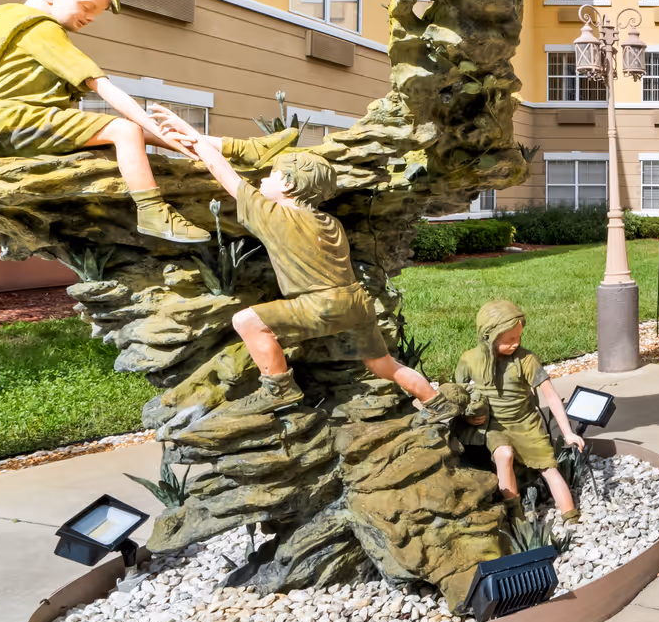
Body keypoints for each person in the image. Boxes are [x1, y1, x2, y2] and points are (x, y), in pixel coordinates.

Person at [0, 0, 292, 243]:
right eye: (87, 7)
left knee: (133, 132)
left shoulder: (0, 26)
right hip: (23, 124)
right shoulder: (39, 29)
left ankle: (239, 149)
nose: (91, 18)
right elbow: (103, 87)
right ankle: (152, 212)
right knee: (125, 131)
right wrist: (143, 122)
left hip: (3, 133)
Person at [151, 107, 445, 411]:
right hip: (356, 303)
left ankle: (279, 389)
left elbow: (223, 172)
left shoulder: (274, 216)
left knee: (247, 320)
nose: (263, 180)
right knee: (383, 363)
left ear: (289, 185)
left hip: (321, 304)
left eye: (272, 175)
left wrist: (194, 138)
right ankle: (434, 400)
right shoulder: (329, 222)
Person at [455, 298, 584, 518]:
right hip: (493, 425)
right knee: (504, 454)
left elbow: (551, 396)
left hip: (526, 424)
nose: (516, 343)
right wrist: (467, 418)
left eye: (519, 337)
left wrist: (568, 432)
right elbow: (458, 396)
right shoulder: (469, 360)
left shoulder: (526, 359)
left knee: (550, 468)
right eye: (509, 339)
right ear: (488, 337)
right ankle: (516, 515)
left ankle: (571, 516)